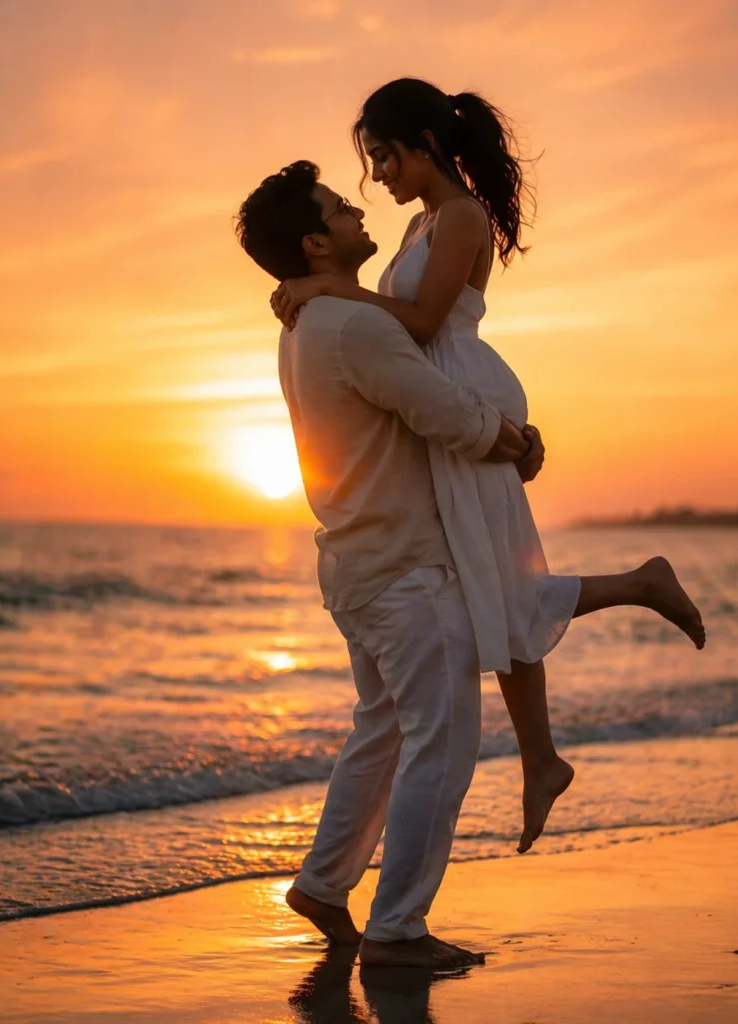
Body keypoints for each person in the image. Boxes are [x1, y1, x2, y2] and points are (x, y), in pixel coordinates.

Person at [268, 79, 706, 854]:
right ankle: (542, 754)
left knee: (494, 579)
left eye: (382, 157)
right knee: (493, 580)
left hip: (464, 390)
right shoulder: (419, 224)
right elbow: (388, 322)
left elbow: (424, 321)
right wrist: (328, 290)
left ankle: (632, 600)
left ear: (423, 145)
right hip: (447, 395)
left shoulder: (461, 216)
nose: (377, 177)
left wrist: (323, 286)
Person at [236, 160, 537, 969]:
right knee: (440, 742)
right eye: (338, 209)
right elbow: (445, 414)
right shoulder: (353, 326)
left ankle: (324, 884)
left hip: (355, 564)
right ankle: (399, 929)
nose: (356, 211)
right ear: (314, 242)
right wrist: (516, 442)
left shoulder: (301, 324)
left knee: (381, 733)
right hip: (405, 572)